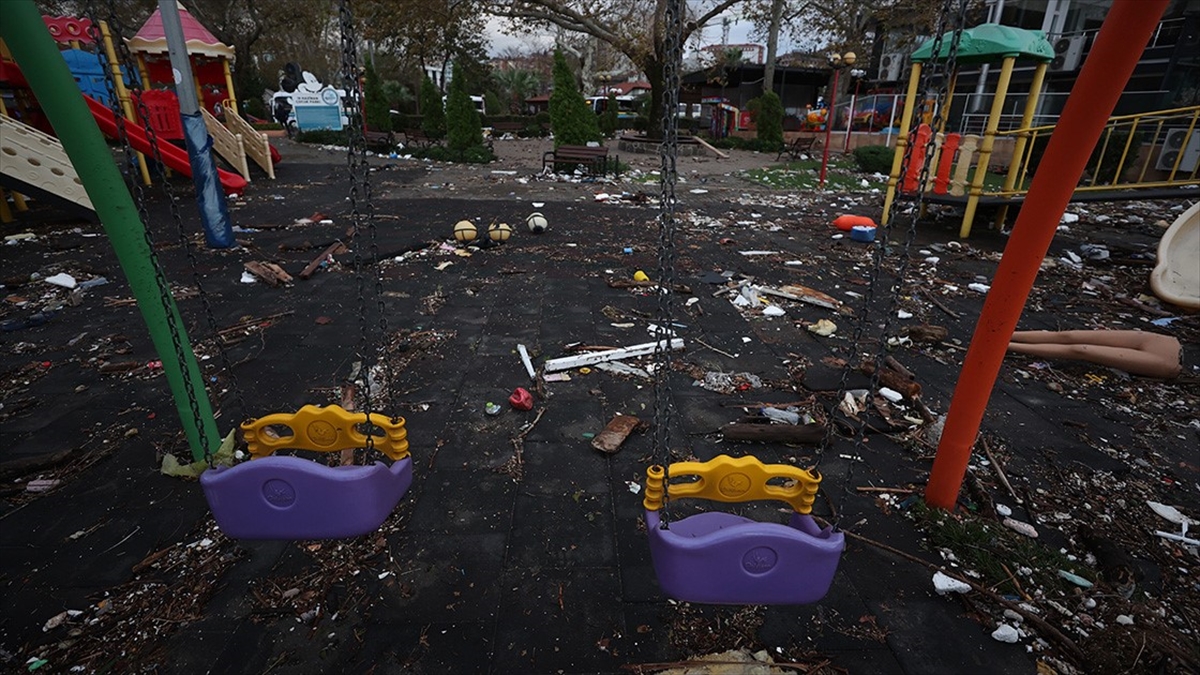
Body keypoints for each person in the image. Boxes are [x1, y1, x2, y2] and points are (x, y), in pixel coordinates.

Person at [1007, 330, 1182, 379]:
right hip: (1170, 343)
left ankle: (1005, 345)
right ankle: (998, 332)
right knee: (1069, 336)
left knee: (1081, 350)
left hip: (1169, 363)